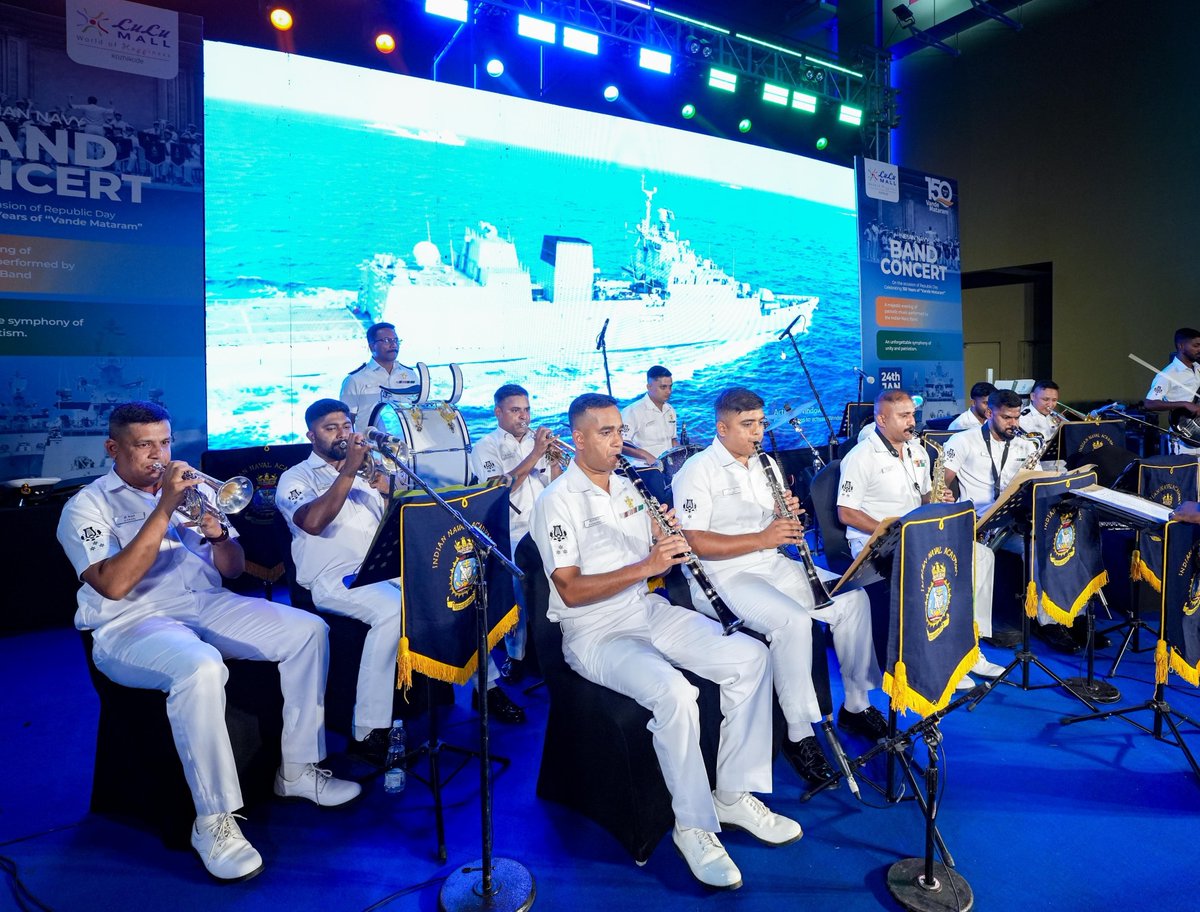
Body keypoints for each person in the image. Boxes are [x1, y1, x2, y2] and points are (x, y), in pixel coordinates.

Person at [56, 402, 360, 882]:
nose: (159, 455)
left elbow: (233, 569)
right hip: (128, 623)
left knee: (309, 631)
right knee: (201, 668)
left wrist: (218, 534)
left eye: (165, 442)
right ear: (113, 448)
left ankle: (298, 768)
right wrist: (164, 510)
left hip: (203, 603)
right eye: (144, 445)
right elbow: (112, 585)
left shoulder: (193, 493)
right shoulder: (88, 506)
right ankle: (213, 820)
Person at [532, 393, 800, 890]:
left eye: (620, 431)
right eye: (608, 433)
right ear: (580, 439)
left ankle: (734, 793)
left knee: (751, 656)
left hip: (645, 609)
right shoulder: (557, 501)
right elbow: (568, 590)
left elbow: (656, 556)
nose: (620, 441)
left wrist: (662, 536)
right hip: (595, 632)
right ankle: (694, 825)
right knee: (677, 694)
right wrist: (649, 565)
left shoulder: (628, 488)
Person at [671, 387, 886, 789]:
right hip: (726, 576)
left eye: (761, 423)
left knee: (852, 599)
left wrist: (783, 518)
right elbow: (694, 542)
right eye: (747, 425)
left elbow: (769, 528)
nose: (757, 433)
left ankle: (856, 704)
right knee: (792, 622)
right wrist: (767, 536)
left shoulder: (763, 463)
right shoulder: (697, 472)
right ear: (722, 428)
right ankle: (799, 732)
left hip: (771, 563)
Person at [279, 400, 525, 734]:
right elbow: (312, 522)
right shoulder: (296, 477)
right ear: (311, 435)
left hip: (385, 567)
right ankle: (369, 726)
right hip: (336, 578)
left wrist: (390, 490)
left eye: (346, 426)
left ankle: (488, 688)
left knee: (455, 591)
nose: (342, 434)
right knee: (396, 612)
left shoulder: (370, 467)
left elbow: (405, 514)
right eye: (331, 428)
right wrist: (349, 471)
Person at [836, 390, 1006, 688]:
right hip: (875, 541)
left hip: (916, 534)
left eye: (912, 415)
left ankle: (968, 646)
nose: (912, 422)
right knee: (934, 570)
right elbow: (846, 513)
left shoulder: (916, 450)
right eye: (903, 416)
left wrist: (937, 496)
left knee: (982, 556)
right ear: (881, 419)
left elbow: (924, 495)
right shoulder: (860, 457)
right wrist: (889, 532)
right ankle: (934, 657)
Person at [941, 389, 1084, 651]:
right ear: (989, 413)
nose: (1014, 424)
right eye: (1007, 418)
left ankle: (1054, 620)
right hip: (978, 523)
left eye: (1017, 417)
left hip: (1012, 521)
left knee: (1052, 547)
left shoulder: (1026, 443)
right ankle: (979, 632)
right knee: (982, 560)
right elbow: (941, 482)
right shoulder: (963, 441)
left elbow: (1037, 484)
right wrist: (949, 502)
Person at [470, 383, 564, 682]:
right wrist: (536, 453)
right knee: (518, 597)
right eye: (515, 410)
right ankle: (516, 656)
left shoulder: (538, 442)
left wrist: (555, 459)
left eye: (526, 410)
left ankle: (557, 650)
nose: (523, 417)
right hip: (512, 528)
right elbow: (498, 487)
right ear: (498, 412)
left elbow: (555, 484)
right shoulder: (486, 446)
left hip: (546, 523)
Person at [339, 323, 420, 431]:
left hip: (408, 444)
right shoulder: (355, 379)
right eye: (387, 340)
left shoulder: (410, 374)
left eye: (396, 340)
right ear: (372, 346)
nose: (394, 345)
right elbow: (347, 422)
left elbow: (419, 410)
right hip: (372, 445)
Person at [1143, 327, 1200, 456]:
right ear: (1181, 346)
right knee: (1187, 475)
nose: (1199, 349)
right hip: (1184, 435)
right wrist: (1184, 404)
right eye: (1196, 346)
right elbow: (1149, 403)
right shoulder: (1168, 374)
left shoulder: (1198, 368)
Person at [621, 365, 678, 464]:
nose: (669, 391)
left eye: (670, 386)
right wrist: (649, 458)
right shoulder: (632, 411)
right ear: (649, 387)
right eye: (663, 387)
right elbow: (622, 443)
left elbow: (672, 440)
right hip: (643, 469)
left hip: (668, 467)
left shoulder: (670, 410)